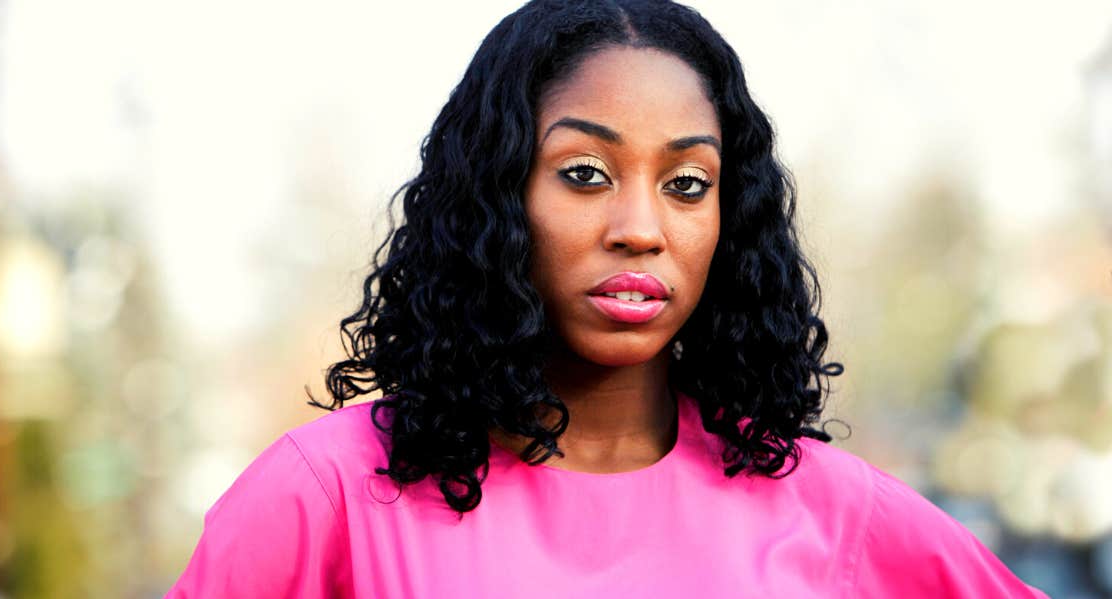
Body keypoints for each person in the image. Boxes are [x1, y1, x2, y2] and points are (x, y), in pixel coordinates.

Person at [167, 0, 1050, 596]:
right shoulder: (322, 498)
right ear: (497, 194)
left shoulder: (834, 512)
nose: (640, 227)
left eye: (688, 184)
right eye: (585, 174)